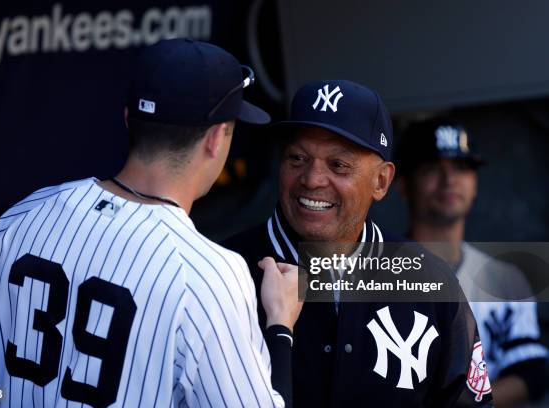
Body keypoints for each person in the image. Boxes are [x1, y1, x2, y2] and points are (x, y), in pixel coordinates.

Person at [0, 39, 302, 407]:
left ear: (128, 118)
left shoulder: (21, 218)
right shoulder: (208, 274)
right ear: (215, 140)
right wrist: (280, 327)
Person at [223, 80, 493, 407]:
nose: (311, 179)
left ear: (381, 181)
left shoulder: (430, 280)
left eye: (338, 165)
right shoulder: (225, 270)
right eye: (297, 158)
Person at [396, 118, 548, 407]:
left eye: (461, 168)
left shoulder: (505, 278)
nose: (448, 179)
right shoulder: (375, 274)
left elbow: (531, 372)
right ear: (403, 184)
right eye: (431, 168)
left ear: (475, 183)